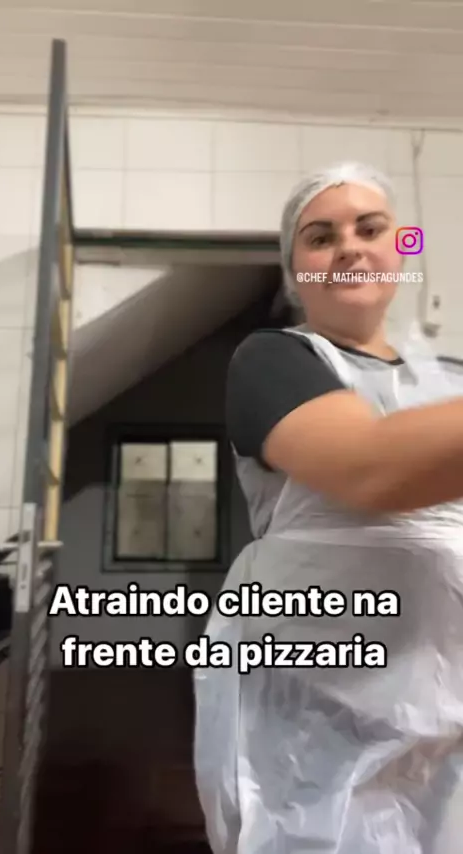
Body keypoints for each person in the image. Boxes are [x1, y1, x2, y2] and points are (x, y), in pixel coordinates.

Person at [192, 162, 463, 853]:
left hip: (449, 689)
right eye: (320, 237)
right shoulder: (273, 361)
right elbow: (372, 469)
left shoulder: (452, 380)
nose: (348, 247)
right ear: (296, 271)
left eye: (371, 229)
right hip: (318, 705)